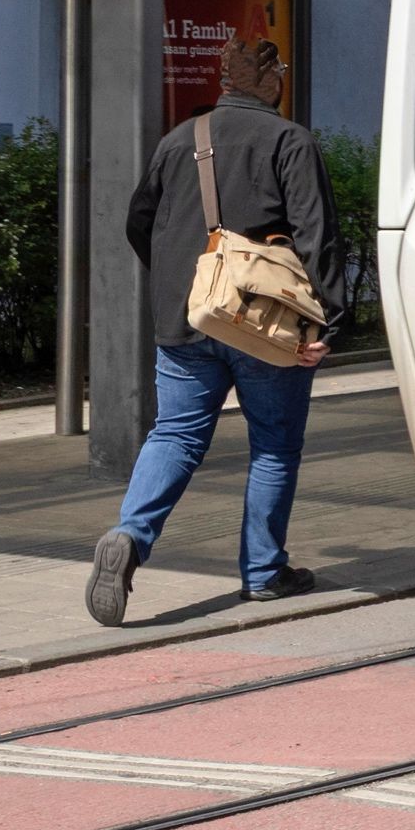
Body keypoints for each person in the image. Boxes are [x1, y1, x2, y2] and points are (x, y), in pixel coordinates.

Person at [86, 37, 342, 627]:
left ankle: (130, 535)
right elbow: (316, 234)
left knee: (175, 434)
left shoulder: (181, 139)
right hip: (268, 327)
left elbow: (139, 221)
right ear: (271, 78)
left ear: (225, 79)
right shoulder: (290, 140)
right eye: (280, 69)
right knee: (274, 444)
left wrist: (183, 282)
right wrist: (330, 320)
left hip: (189, 317)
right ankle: (264, 573)